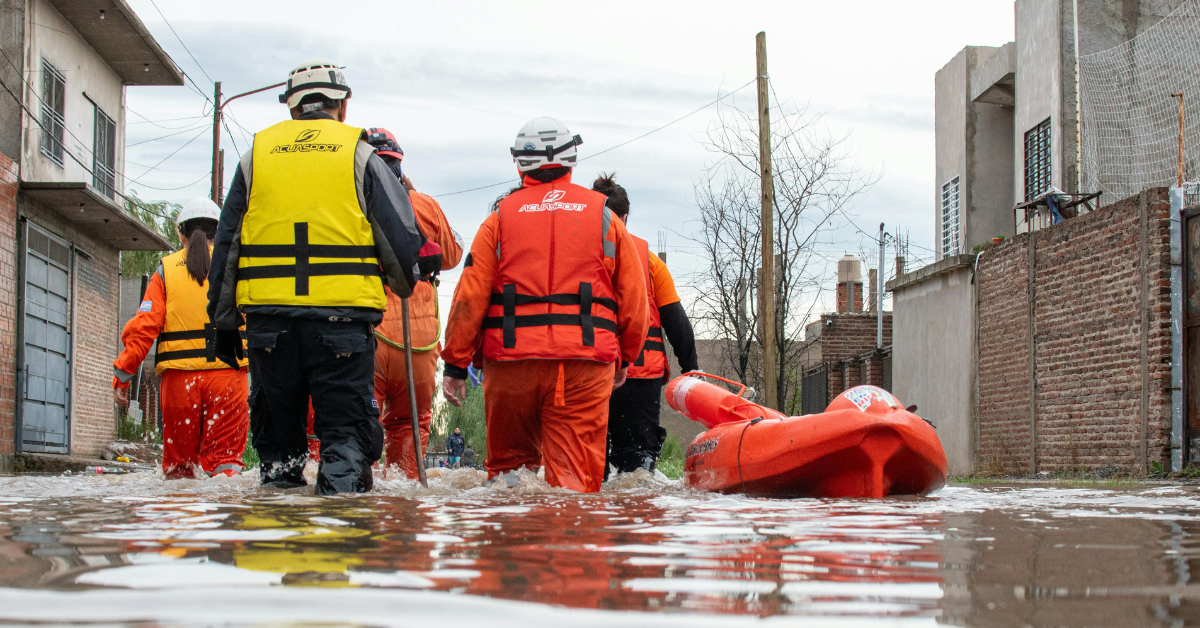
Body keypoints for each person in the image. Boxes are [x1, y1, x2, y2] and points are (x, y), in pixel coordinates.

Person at [206, 59, 427, 495]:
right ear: (342, 107)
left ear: (292, 109)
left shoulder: (256, 157)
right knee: (345, 441)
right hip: (343, 327)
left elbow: (227, 243)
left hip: (270, 328)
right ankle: (338, 538)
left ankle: (282, 539)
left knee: (279, 453)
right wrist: (403, 283)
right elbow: (402, 242)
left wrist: (224, 322)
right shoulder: (359, 153)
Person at [441, 117, 649, 493]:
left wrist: (455, 363)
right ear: (572, 161)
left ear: (519, 164)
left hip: (510, 364)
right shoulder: (605, 217)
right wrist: (628, 356)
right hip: (583, 366)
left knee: (507, 480)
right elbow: (634, 299)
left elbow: (469, 296)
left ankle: (509, 549)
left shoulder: (499, 219)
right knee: (573, 486)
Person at [113, 197, 249, 479]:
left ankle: (182, 520)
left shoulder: (165, 270)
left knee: (179, 471)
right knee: (226, 467)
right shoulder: (238, 267)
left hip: (180, 382)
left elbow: (144, 327)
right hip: (228, 378)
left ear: (181, 234)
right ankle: (223, 519)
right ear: (221, 229)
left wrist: (124, 374)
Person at [363, 129, 463, 478]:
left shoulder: (349, 200)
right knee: (409, 426)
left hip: (367, 334)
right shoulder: (425, 205)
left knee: (355, 425)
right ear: (399, 166)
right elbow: (452, 255)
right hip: (417, 344)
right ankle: (405, 513)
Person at [591, 174, 698, 475]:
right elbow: (677, 323)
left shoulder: (577, 260)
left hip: (590, 374)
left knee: (588, 464)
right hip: (640, 377)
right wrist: (691, 371)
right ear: (625, 217)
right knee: (637, 464)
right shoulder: (650, 262)